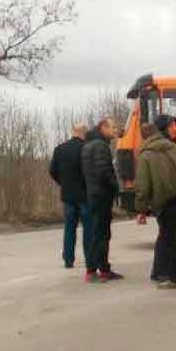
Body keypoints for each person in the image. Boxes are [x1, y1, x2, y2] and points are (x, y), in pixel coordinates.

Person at [135, 123, 176, 289]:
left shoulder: (145, 156)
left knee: (172, 240)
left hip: (166, 201)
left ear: (143, 137)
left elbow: (143, 186)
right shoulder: (173, 147)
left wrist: (141, 209)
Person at [81, 118, 123, 283]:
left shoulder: (88, 144)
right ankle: (99, 270)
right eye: (112, 127)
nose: (114, 130)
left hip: (93, 194)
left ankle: (97, 269)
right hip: (101, 196)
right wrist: (116, 188)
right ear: (103, 127)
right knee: (101, 234)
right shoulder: (100, 146)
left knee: (96, 233)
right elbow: (104, 172)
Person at [49, 124, 92, 269]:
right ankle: (89, 259)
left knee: (69, 228)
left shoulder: (60, 149)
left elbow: (52, 171)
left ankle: (68, 260)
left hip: (68, 195)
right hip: (85, 195)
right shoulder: (87, 148)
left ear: (73, 132)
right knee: (88, 228)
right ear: (84, 133)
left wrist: (64, 183)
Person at [150, 115, 176, 282]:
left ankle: (171, 269)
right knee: (166, 234)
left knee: (171, 234)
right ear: (164, 129)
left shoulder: (170, 145)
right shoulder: (161, 148)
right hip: (164, 197)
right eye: (172, 127)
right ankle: (159, 272)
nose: (175, 129)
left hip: (172, 195)